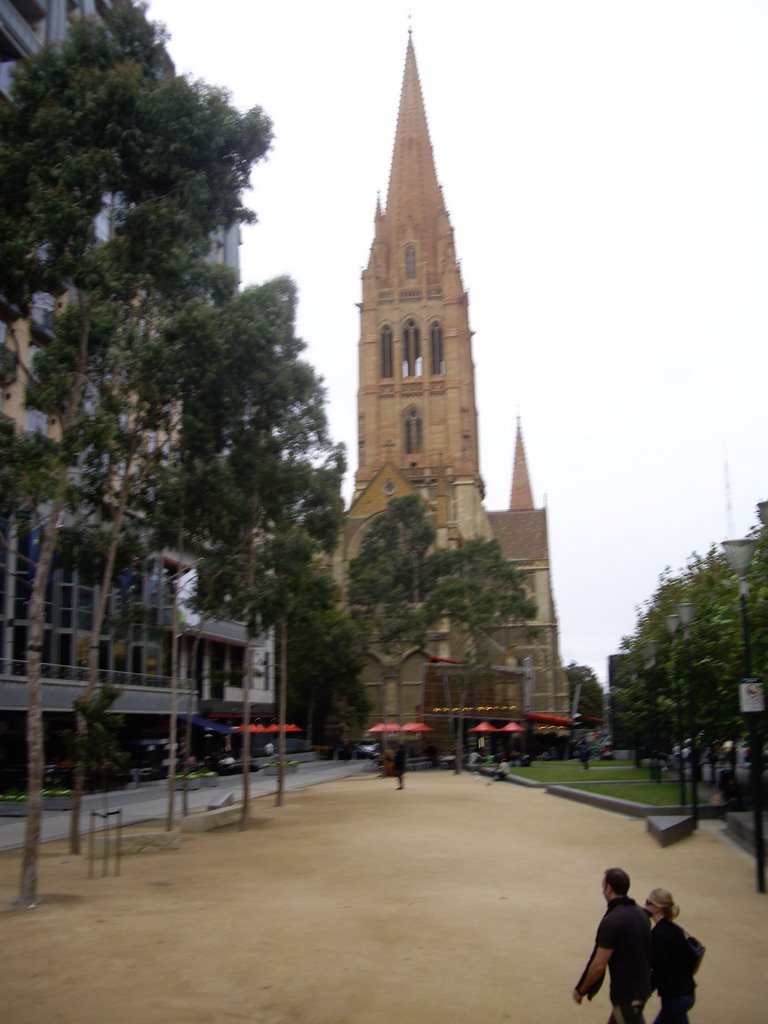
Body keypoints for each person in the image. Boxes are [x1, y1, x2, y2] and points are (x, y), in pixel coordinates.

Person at [573, 867, 652, 1023]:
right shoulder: (642, 914)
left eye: (603, 886)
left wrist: (581, 990)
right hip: (642, 987)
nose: (602, 890)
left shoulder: (612, 921)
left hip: (625, 995)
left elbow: (599, 966)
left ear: (609, 889)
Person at [645, 888, 696, 1024]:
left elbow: (659, 969)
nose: (645, 906)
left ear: (656, 908)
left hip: (674, 997)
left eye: (647, 902)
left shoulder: (658, 934)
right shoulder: (676, 930)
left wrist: (646, 990)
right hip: (687, 992)